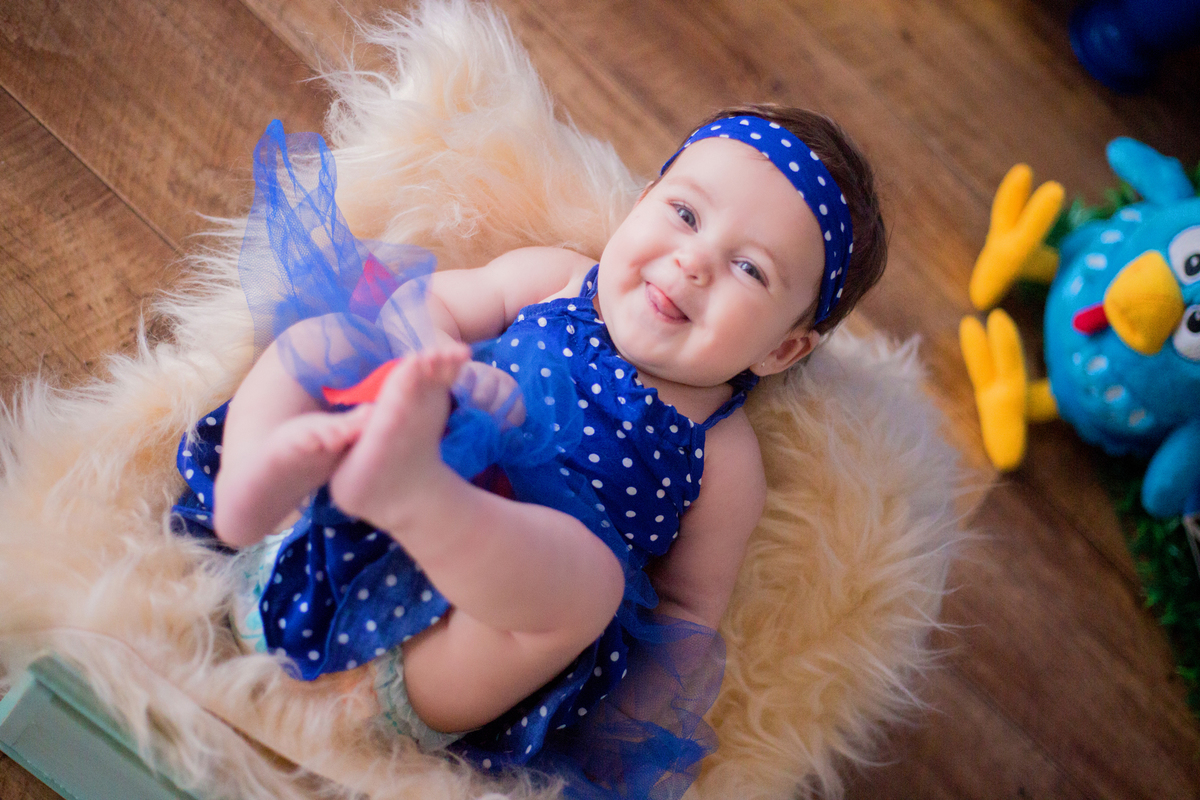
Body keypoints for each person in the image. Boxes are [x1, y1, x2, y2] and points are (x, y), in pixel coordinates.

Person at [172, 103, 886, 793]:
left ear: (783, 348)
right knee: (330, 338)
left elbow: (689, 612)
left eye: (750, 269)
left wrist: (624, 739)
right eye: (686, 214)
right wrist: (442, 368)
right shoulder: (554, 280)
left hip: (435, 665)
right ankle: (250, 493)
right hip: (318, 538)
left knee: (592, 587)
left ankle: (415, 494)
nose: (694, 261)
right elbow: (425, 306)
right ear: (641, 202)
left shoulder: (725, 456)